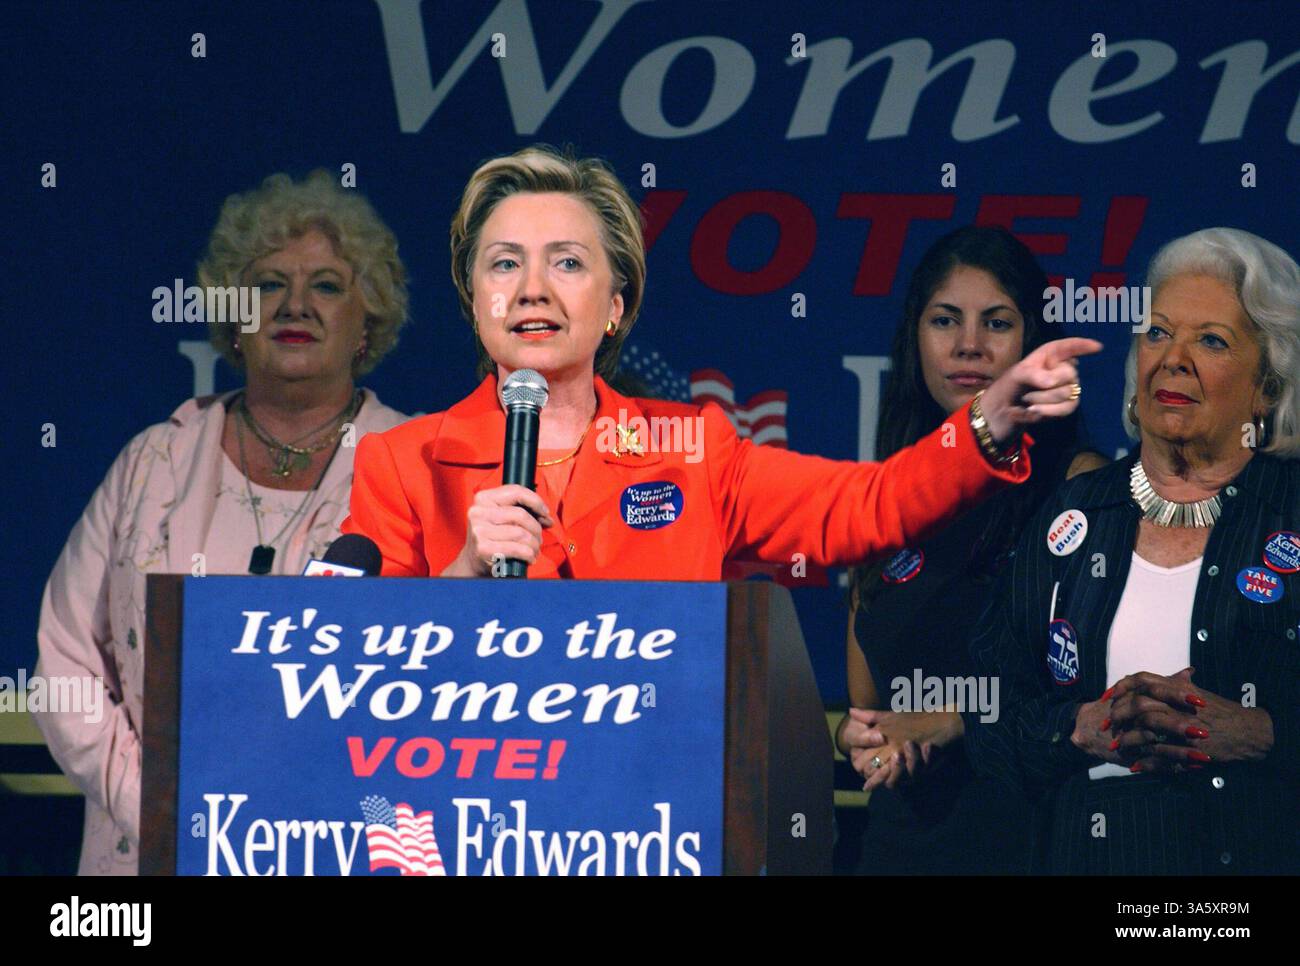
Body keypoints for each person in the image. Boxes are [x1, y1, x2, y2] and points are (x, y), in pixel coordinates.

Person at [342, 143, 1097, 584]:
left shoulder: (695, 450)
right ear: (475, 301)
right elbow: (349, 675)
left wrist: (987, 422)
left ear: (615, 304)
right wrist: (464, 576)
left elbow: (867, 505)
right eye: (504, 265)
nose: (532, 288)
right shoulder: (401, 464)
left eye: (567, 262)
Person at [32, 170, 411, 874]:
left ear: (369, 320)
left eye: (327, 285)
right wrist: (164, 806)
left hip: (339, 846)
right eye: (268, 285)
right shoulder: (154, 461)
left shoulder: (416, 467)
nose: (295, 303)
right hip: (149, 846)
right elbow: (65, 664)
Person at [964, 227, 1300, 874]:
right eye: (1157, 333)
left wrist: (1263, 735)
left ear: (1268, 387)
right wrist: (1078, 728)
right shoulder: (1074, 514)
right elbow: (989, 712)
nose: (1173, 358)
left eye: (1211, 340)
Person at [833, 226, 1108, 875]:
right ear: (915, 339)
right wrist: (864, 739)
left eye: (997, 322)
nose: (968, 345)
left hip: (1037, 847)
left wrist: (952, 721)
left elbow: (1105, 697)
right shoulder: (883, 499)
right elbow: (868, 704)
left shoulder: (1081, 487)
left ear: (1033, 344)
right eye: (945, 320)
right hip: (901, 851)